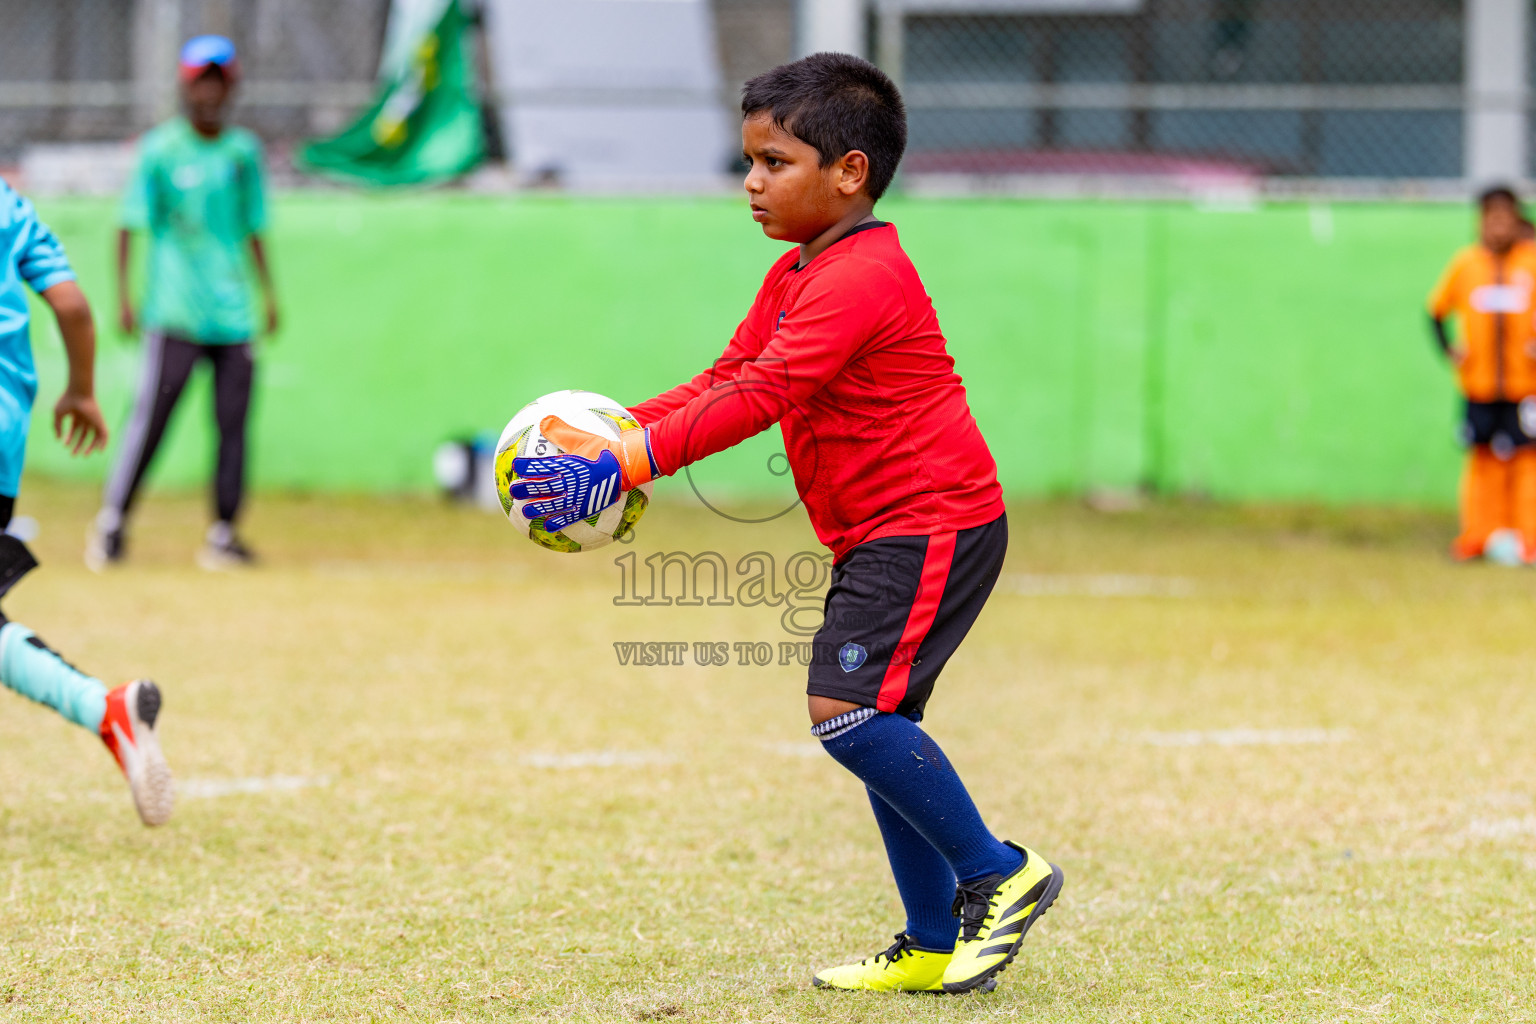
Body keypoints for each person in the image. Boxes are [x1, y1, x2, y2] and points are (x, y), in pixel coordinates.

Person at [508, 53, 1062, 994]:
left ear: (850, 172)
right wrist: (616, 430)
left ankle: (1000, 875)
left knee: (845, 711)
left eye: (775, 163)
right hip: (881, 532)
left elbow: (766, 393)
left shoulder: (863, 277)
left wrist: (627, 468)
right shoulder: (798, 272)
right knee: (882, 723)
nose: (753, 185)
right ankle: (931, 942)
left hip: (930, 523)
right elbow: (728, 374)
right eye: (750, 164)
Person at [0, 178, 174, 826]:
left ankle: (106, 710)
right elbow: (72, 307)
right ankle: (107, 711)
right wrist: (80, 391)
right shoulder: (11, 205)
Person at [87, 34, 279, 571]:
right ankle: (112, 523)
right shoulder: (161, 150)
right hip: (174, 314)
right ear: (186, 87)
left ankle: (223, 533)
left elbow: (254, 226)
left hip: (233, 315)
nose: (210, 93)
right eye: (201, 82)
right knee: (151, 421)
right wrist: (125, 297)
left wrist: (268, 294)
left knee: (234, 425)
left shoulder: (243, 153)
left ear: (232, 87)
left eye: (219, 81)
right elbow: (130, 224)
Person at [1428, 185, 1536, 562]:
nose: (1499, 227)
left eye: (1506, 219)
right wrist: (1448, 349)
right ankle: (1478, 535)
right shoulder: (1467, 264)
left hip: (1526, 386)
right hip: (1480, 384)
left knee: (1527, 463)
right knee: (1482, 460)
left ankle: (1529, 541)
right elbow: (1436, 310)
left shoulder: (1531, 263)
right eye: (1492, 219)